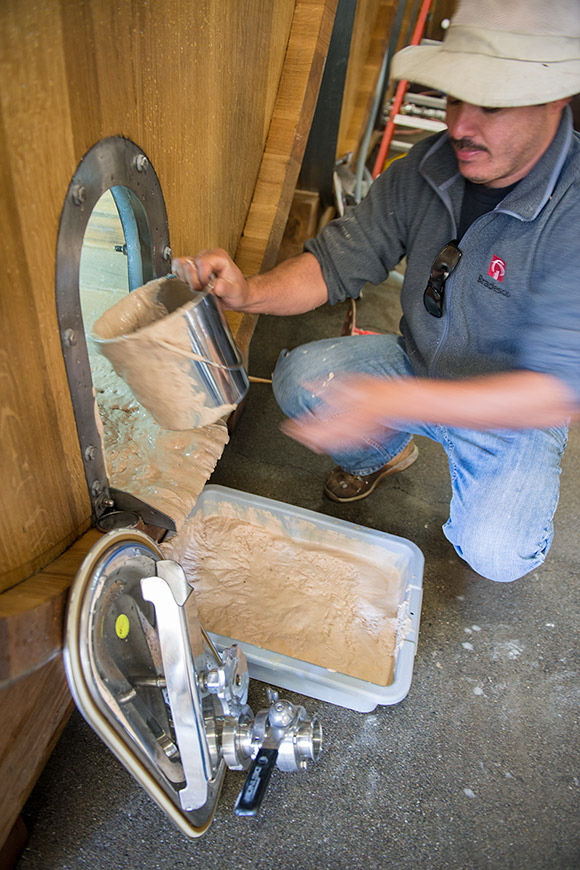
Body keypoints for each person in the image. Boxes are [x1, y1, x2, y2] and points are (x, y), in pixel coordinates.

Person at [173, 0, 580, 584]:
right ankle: (386, 453)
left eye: (490, 105)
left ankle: (483, 486)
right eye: (456, 97)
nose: (461, 126)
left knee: (495, 553)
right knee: (299, 381)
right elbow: (332, 266)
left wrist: (391, 403)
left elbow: (553, 393)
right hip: (418, 364)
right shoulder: (427, 168)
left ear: (555, 99)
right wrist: (245, 293)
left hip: (511, 409)